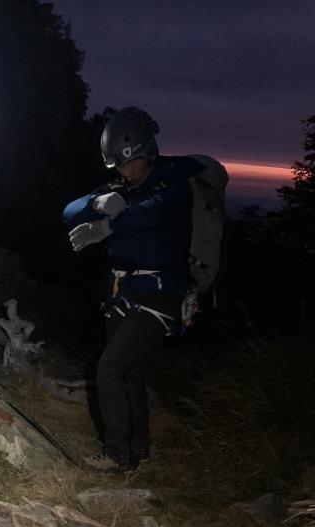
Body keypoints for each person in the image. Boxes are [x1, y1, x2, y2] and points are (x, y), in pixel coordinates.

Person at [62, 106, 213, 474]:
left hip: (160, 293)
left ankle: (116, 454)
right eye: (119, 166)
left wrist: (108, 226)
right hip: (121, 291)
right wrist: (96, 203)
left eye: (130, 163)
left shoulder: (173, 185)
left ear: (149, 151)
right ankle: (139, 451)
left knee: (110, 369)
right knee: (130, 374)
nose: (125, 171)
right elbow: (69, 212)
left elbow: (153, 213)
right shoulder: (120, 188)